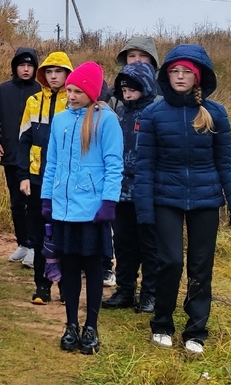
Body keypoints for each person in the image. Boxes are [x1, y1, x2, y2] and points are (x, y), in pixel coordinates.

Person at [135, 44, 231, 356]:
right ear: (166, 74)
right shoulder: (153, 114)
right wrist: (144, 210)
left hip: (205, 199)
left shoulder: (215, 113)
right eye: (174, 71)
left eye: (186, 72)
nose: (180, 77)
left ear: (199, 77)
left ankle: (196, 330)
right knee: (169, 261)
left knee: (201, 266)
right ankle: (161, 324)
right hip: (165, 199)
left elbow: (226, 162)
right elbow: (144, 166)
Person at [40, 61, 123, 355]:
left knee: (93, 269)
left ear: (91, 92)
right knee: (70, 269)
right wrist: (47, 198)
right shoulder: (60, 121)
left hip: (91, 211)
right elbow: (51, 162)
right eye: (69, 90)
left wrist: (109, 202)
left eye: (77, 91)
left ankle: (92, 327)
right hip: (63, 210)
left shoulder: (106, 120)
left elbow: (114, 164)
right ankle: (71, 325)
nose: (71, 95)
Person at [15, 51, 73, 304]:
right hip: (38, 179)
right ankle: (42, 285)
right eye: (49, 72)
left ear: (68, 74)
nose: (53, 76)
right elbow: (23, 141)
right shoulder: (33, 101)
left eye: (58, 71)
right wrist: (23, 175)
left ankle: (66, 286)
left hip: (66, 181)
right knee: (39, 235)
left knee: (64, 234)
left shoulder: (74, 101)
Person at [103, 61, 160, 314]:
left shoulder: (156, 112)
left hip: (148, 191)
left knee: (149, 243)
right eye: (124, 90)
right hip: (120, 190)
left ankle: (150, 293)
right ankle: (125, 289)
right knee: (123, 243)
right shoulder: (119, 114)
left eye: (133, 90)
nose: (127, 94)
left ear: (145, 87)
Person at [0, 48, 41, 264]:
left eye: (29, 65)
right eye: (21, 65)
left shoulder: (40, 91)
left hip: (35, 158)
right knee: (17, 202)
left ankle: (36, 246)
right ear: (14, 67)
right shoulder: (2, 90)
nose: (25, 69)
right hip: (10, 154)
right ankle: (23, 243)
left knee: (33, 202)